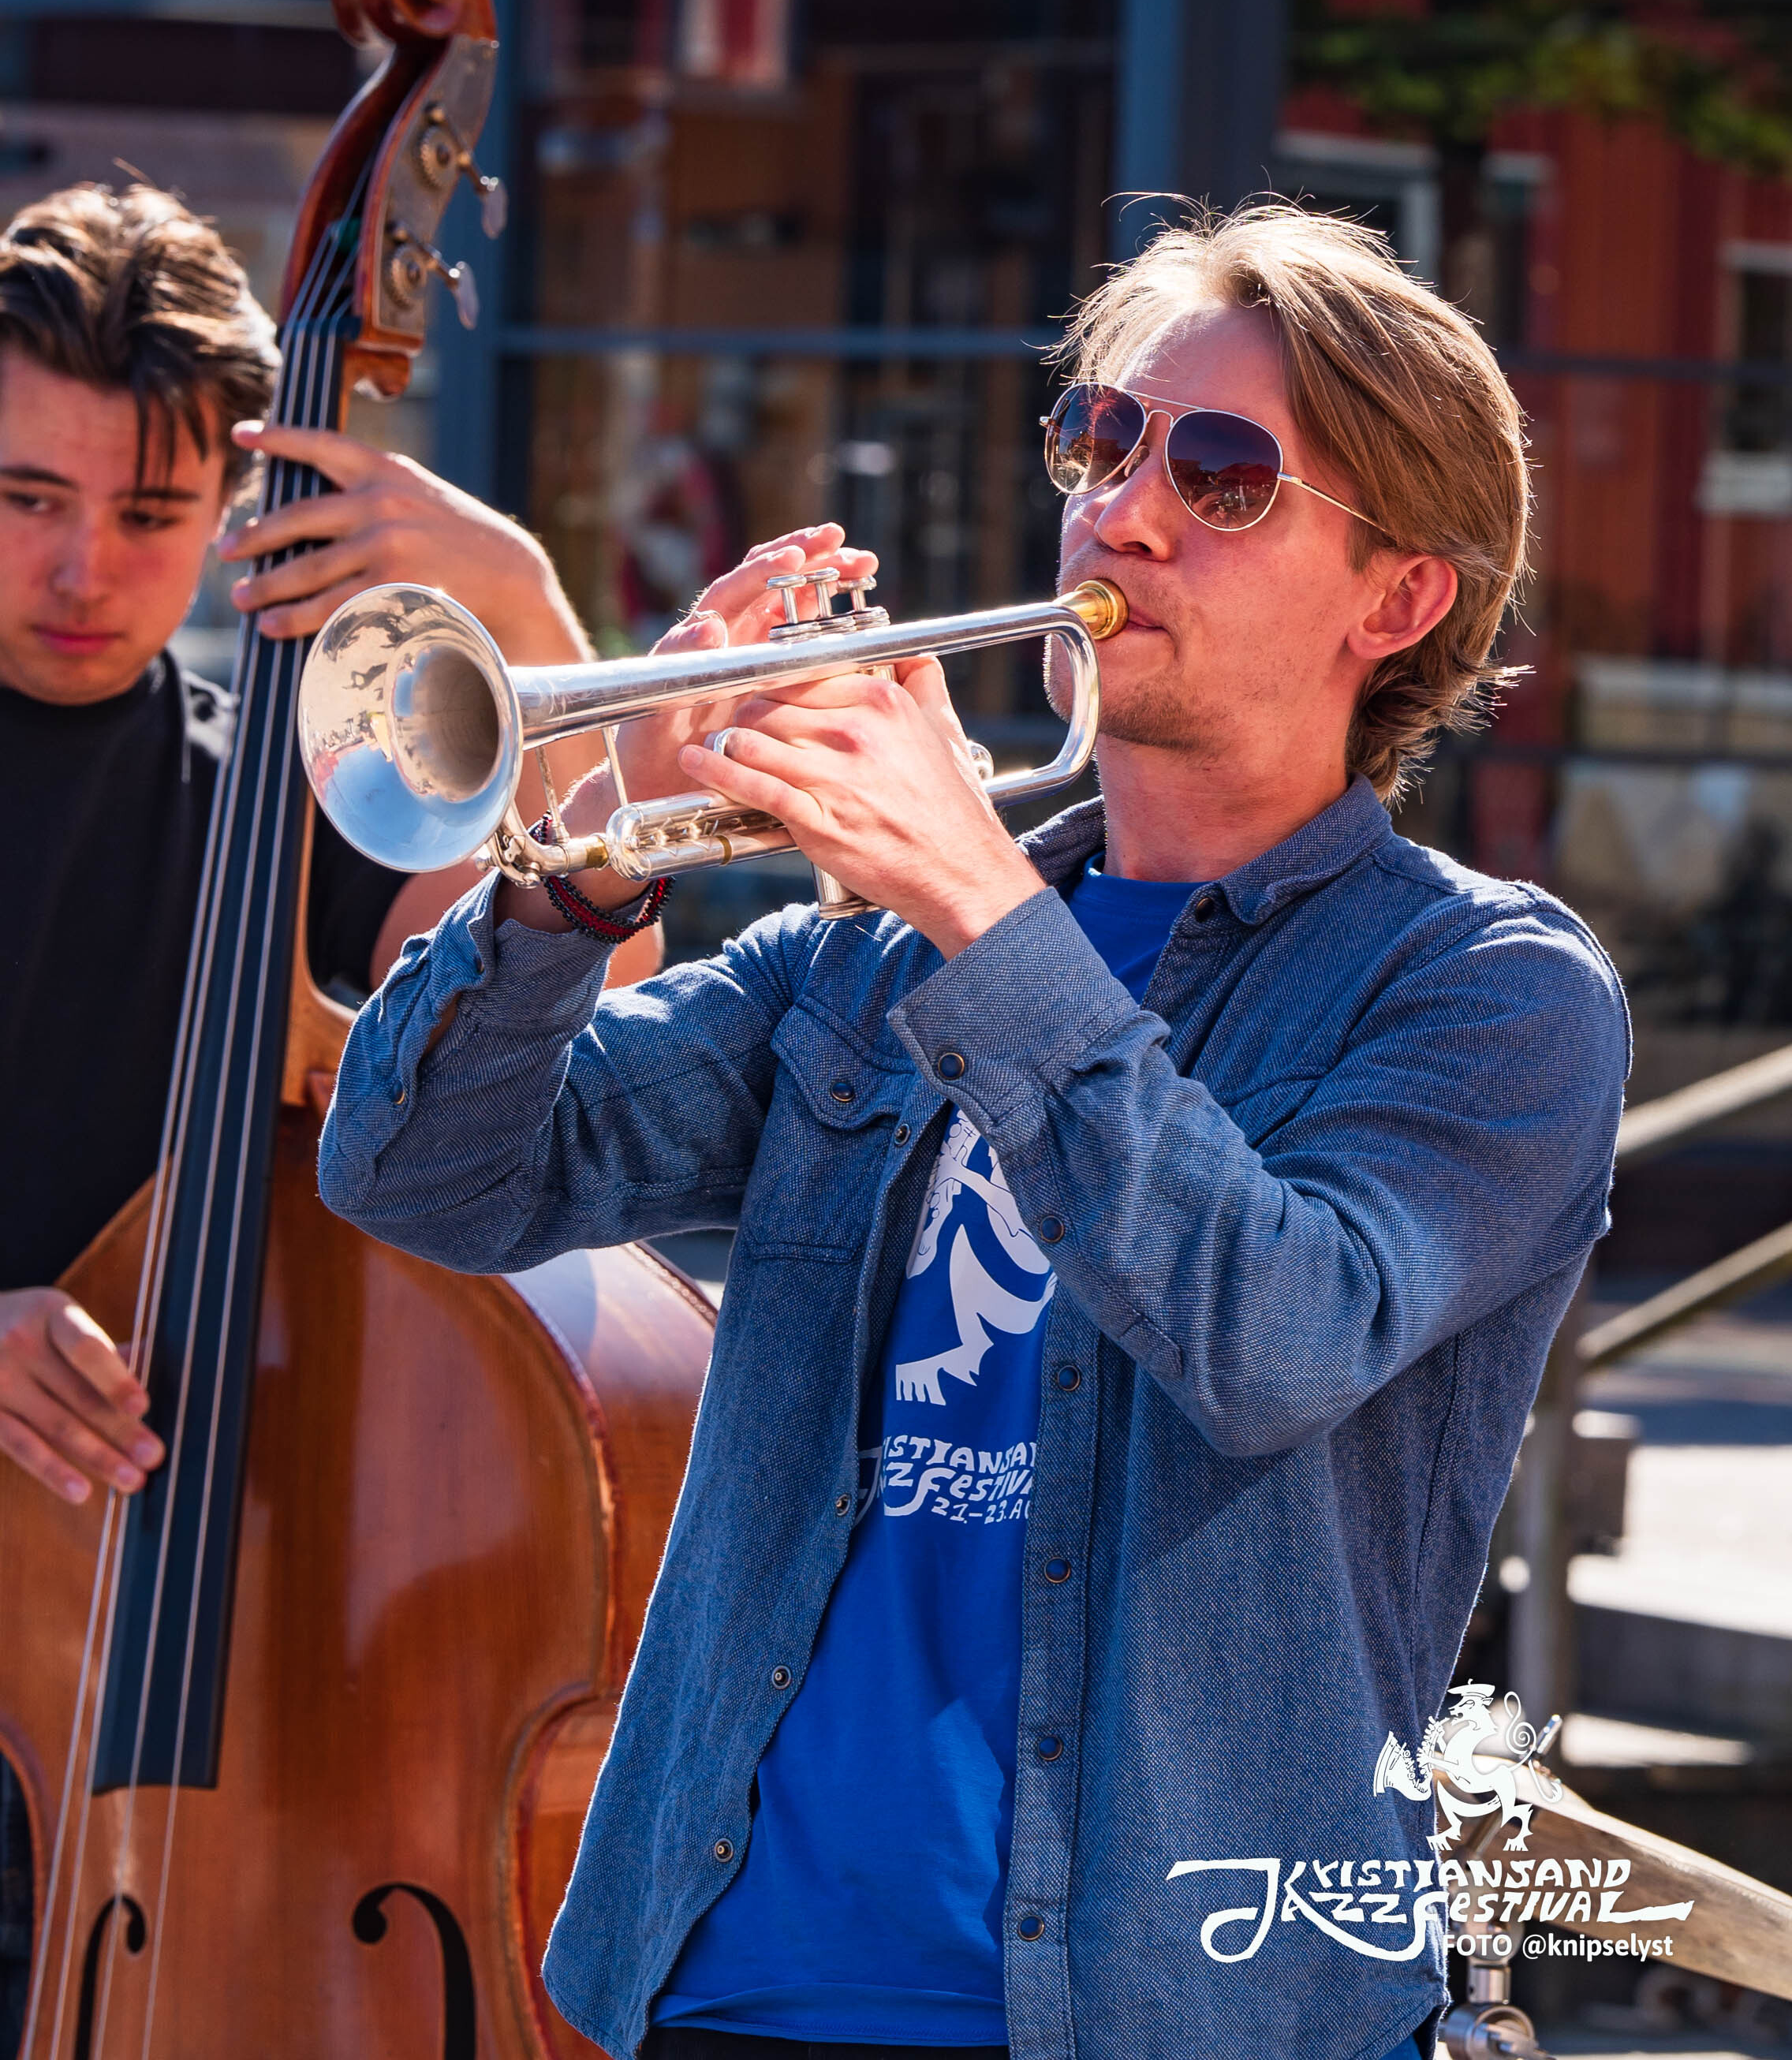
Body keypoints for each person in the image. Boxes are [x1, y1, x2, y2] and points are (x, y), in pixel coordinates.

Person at [316, 202, 1630, 2060]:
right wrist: (593, 840)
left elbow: (1269, 1335)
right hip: (726, 1979)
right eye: (1099, 440)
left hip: (1157, 2011)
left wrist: (975, 907)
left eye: (1224, 473)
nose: (1125, 510)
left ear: (1396, 599)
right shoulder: (862, 954)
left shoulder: (1488, 991)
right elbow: (423, 1176)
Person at [0, 181, 655, 2051]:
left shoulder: (280, 809)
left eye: (147, 514)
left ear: (227, 513)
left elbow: (565, 982)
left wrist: (521, 612)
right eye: (25, 498)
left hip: (186, 1741)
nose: (81, 571)